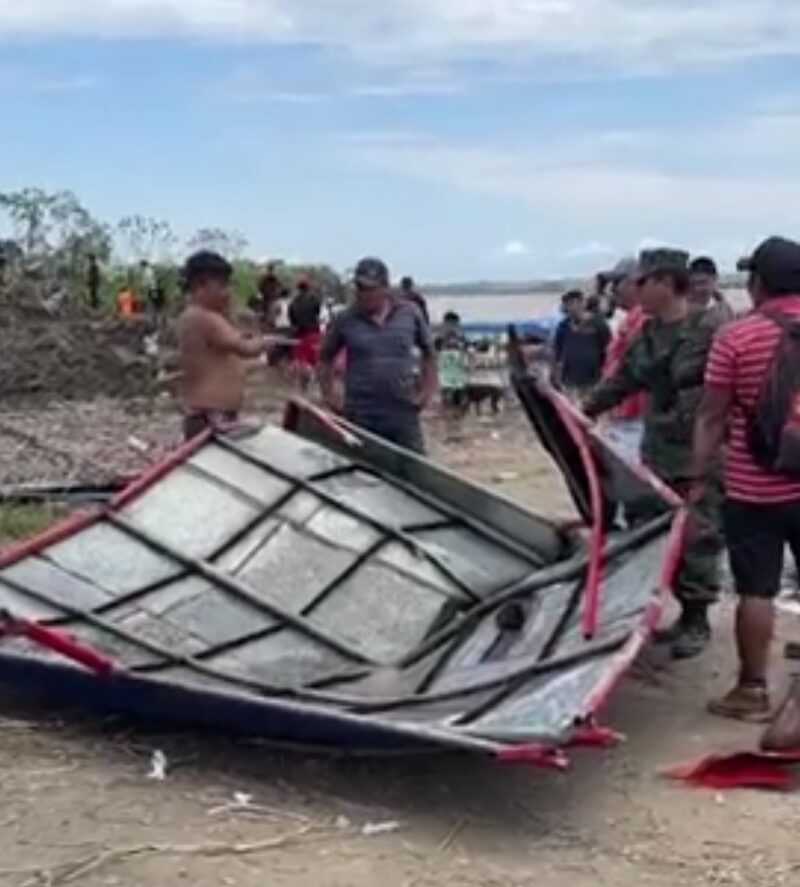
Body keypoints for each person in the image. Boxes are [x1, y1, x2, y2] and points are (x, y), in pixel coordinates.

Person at [583, 248, 725, 659]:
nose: (629, 290)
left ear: (664, 282)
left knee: (699, 537)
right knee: (657, 535)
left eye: (638, 282)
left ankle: (696, 618)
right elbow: (622, 380)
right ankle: (668, 610)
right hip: (658, 453)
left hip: (701, 454)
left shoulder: (710, 329)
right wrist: (584, 411)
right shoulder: (647, 334)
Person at [690, 236, 800, 720]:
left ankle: (753, 690)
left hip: (755, 489)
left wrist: (697, 476)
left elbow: (712, 415)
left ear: (758, 282)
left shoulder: (736, 336)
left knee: (757, 589)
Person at [319, 257, 437, 453]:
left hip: (403, 410)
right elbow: (324, 358)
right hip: (361, 413)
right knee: (363, 467)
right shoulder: (345, 319)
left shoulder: (409, 313)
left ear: (385, 288)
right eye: (360, 288)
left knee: (412, 466)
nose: (364, 294)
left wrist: (426, 392)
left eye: (370, 289)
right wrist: (329, 396)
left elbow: (429, 352)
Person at [176, 250, 268, 440]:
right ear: (200, 285)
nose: (228, 293)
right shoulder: (207, 318)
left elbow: (229, 340)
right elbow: (246, 349)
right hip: (212, 415)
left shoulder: (192, 317)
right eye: (222, 286)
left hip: (206, 413)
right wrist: (265, 342)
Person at [600, 257, 646, 462]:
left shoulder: (642, 320)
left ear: (632, 283)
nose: (612, 290)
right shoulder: (629, 318)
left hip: (635, 416)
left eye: (616, 283)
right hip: (623, 413)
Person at [553, 290, 611, 401]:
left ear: (583, 303)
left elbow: (608, 347)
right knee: (572, 406)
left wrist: (606, 371)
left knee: (592, 405)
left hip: (594, 378)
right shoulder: (563, 326)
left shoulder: (598, 323)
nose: (572, 308)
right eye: (569, 304)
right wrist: (556, 375)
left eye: (576, 303)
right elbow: (557, 352)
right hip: (570, 379)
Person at [435, 312, 469, 439]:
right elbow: (465, 348)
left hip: (449, 364)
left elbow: (435, 347)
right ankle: (454, 427)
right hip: (453, 364)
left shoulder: (442, 334)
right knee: (455, 395)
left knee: (450, 395)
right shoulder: (459, 334)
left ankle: (452, 426)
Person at [289, 275, 323, 392]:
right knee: (317, 362)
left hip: (300, 334)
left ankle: (303, 389)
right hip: (314, 334)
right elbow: (317, 313)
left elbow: (292, 319)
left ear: (298, 287)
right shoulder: (314, 299)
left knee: (301, 364)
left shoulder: (293, 302)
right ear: (308, 287)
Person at [688, 256, 734, 323]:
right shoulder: (684, 309)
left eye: (702, 283)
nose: (696, 288)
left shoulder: (721, 307)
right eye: (693, 284)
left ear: (715, 279)